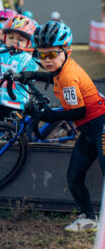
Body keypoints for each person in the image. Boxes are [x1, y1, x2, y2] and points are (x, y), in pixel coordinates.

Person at [19, 21, 105, 232]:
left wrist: (46, 116)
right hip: (88, 131)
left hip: (100, 127)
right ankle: (89, 218)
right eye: (41, 55)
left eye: (52, 55)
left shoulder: (67, 75)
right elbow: (52, 75)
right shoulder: (62, 68)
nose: (46, 61)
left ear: (66, 51)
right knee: (74, 176)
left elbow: (79, 112)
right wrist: (32, 75)